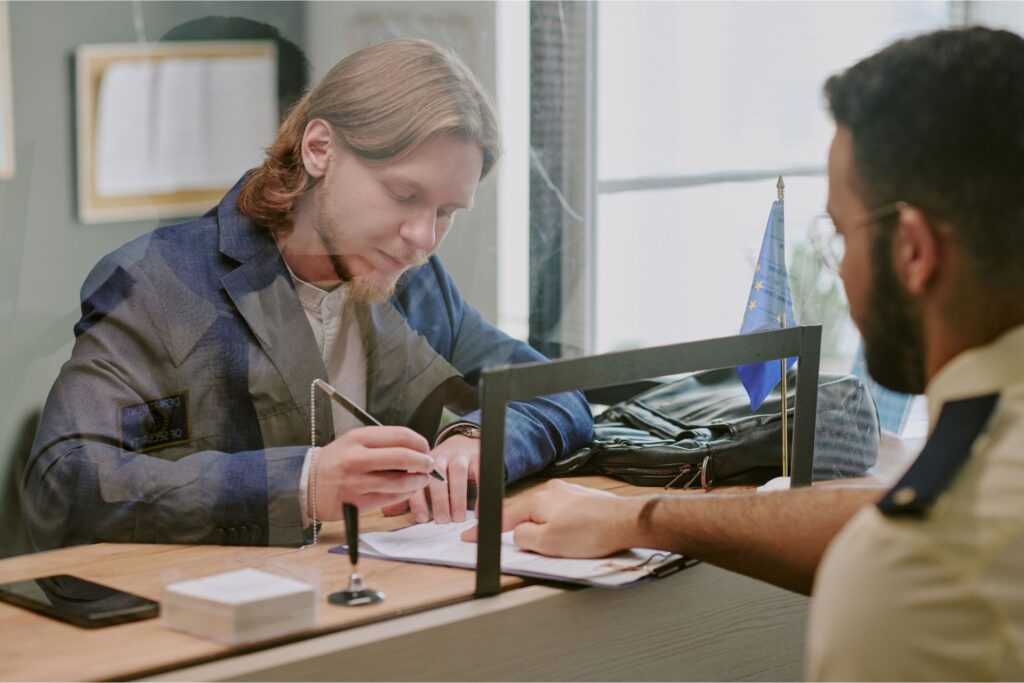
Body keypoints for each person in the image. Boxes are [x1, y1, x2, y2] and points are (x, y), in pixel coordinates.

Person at [465, 27, 1024, 680]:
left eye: (842, 235)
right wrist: (639, 515)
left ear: (912, 251)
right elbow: (892, 510)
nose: (839, 274)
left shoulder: (917, 586)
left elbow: (920, 534)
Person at [23, 38, 592, 550]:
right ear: (320, 148)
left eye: (445, 211)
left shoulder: (418, 283)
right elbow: (64, 481)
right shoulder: (159, 283)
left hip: (388, 602)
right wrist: (306, 482)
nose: (423, 238)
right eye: (403, 193)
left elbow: (558, 394)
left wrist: (478, 440)